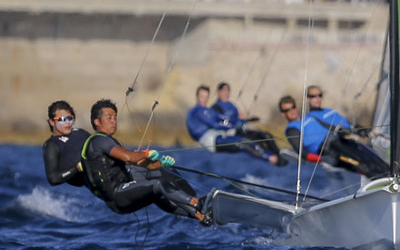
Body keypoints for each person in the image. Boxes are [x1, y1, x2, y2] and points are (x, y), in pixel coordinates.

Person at [79, 99, 207, 222]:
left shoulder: (108, 141)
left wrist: (161, 164)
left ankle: (198, 215)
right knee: (157, 184)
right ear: (97, 121)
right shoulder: (99, 140)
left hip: (121, 196)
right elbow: (128, 157)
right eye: (109, 117)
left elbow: (141, 164)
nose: (114, 121)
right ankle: (196, 202)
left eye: (115, 117)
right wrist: (145, 153)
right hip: (118, 195)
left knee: (159, 184)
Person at [280, 95, 387, 177]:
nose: (291, 111)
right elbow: (302, 152)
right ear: (283, 114)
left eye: (292, 107)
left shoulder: (310, 118)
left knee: (370, 155)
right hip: (329, 150)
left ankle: (395, 176)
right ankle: (382, 181)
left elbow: (333, 128)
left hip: (340, 141)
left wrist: (362, 132)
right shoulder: (291, 129)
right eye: (287, 110)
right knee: (360, 163)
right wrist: (322, 159)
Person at [187, 84, 281, 164]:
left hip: (216, 136)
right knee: (243, 143)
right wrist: (234, 126)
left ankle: (273, 155)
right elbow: (215, 125)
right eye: (202, 96)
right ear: (197, 97)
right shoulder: (197, 111)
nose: (204, 99)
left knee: (248, 139)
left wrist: (246, 121)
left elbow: (223, 118)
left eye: (206, 97)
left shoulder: (206, 110)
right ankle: (270, 158)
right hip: (211, 141)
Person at [42, 99, 89, 187]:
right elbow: (53, 179)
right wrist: (78, 168)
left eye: (70, 118)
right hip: (95, 179)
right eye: (63, 119)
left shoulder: (80, 132)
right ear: (52, 122)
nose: (68, 122)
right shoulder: (52, 145)